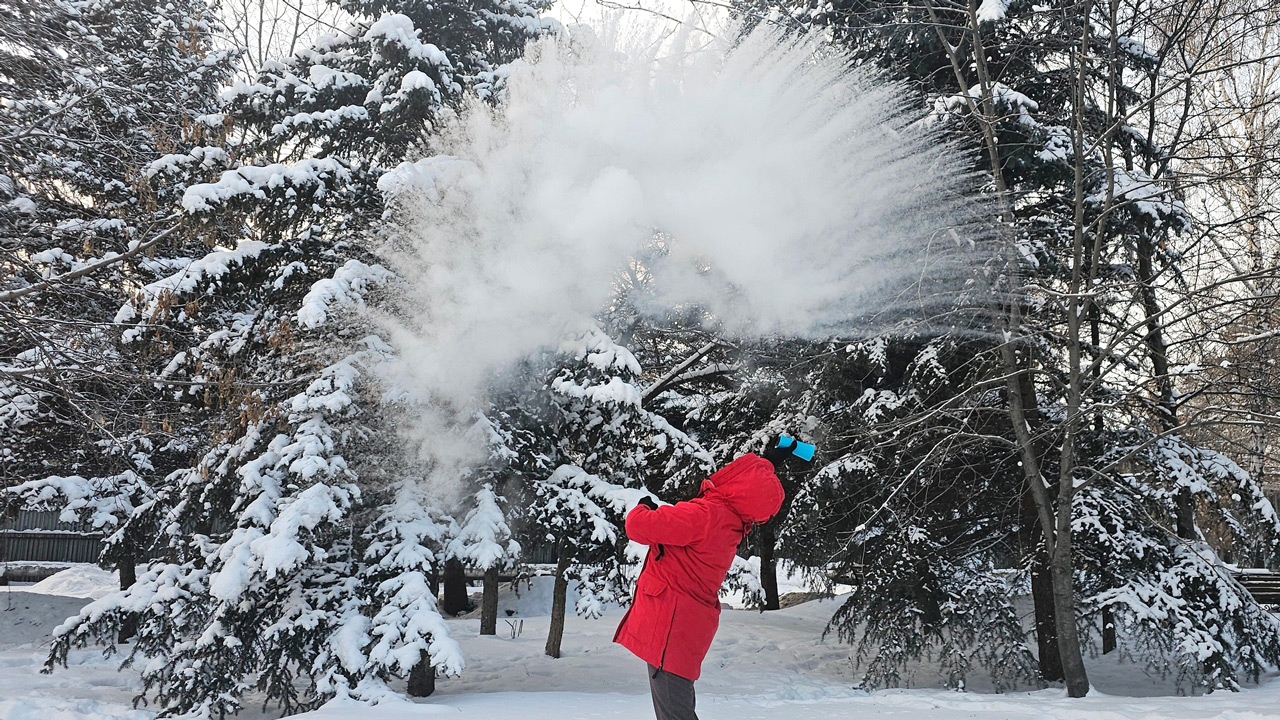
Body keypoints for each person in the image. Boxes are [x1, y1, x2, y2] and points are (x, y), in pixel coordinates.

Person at [613, 438, 809, 720]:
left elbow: (637, 526)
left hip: (672, 628)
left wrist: (642, 507)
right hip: (686, 626)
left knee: (674, 712)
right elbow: (753, 489)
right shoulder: (730, 522)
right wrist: (771, 461)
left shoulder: (705, 516)